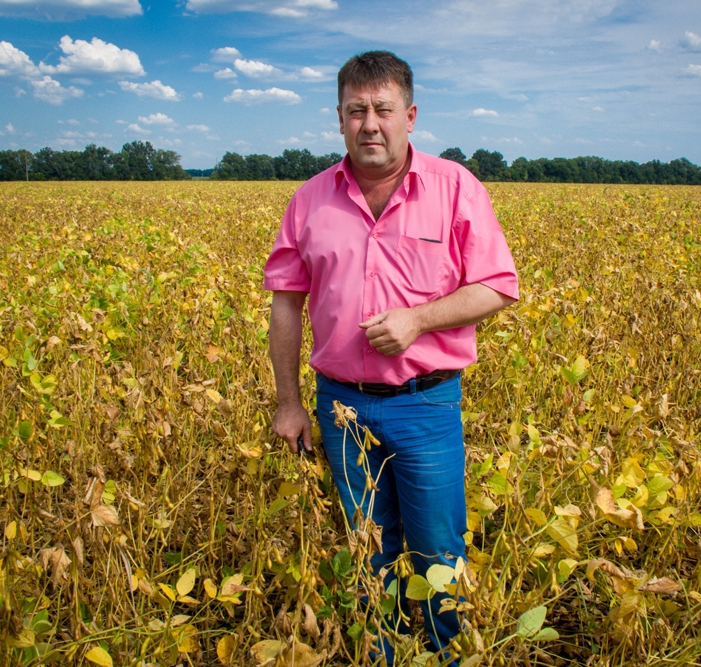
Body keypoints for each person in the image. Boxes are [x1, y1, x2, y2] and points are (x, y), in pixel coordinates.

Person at [264, 50, 519, 664]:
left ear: (410, 116)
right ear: (340, 119)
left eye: (382, 110)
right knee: (364, 549)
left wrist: (418, 320)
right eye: (356, 111)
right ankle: (376, 656)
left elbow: (498, 286)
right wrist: (290, 403)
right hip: (341, 407)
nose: (369, 124)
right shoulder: (309, 200)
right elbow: (285, 306)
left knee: (438, 551)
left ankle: (447, 654)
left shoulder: (456, 188)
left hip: (426, 403)